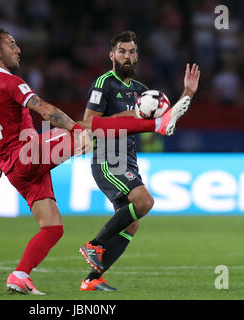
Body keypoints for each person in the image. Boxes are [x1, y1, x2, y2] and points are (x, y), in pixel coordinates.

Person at [0, 27, 193, 295]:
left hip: (14, 168)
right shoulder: (11, 82)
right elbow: (44, 109)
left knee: (52, 228)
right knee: (84, 130)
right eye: (11, 45)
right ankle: (159, 124)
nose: (18, 49)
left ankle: (19, 275)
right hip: (29, 153)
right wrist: (76, 132)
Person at [79, 30, 200, 291]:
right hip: (108, 156)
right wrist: (131, 114)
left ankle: (92, 279)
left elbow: (166, 122)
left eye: (132, 52)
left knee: (131, 223)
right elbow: (89, 123)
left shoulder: (143, 92)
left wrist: (187, 94)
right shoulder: (104, 83)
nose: (128, 56)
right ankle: (94, 245)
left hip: (129, 160)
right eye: (122, 51)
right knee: (145, 201)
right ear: (112, 55)